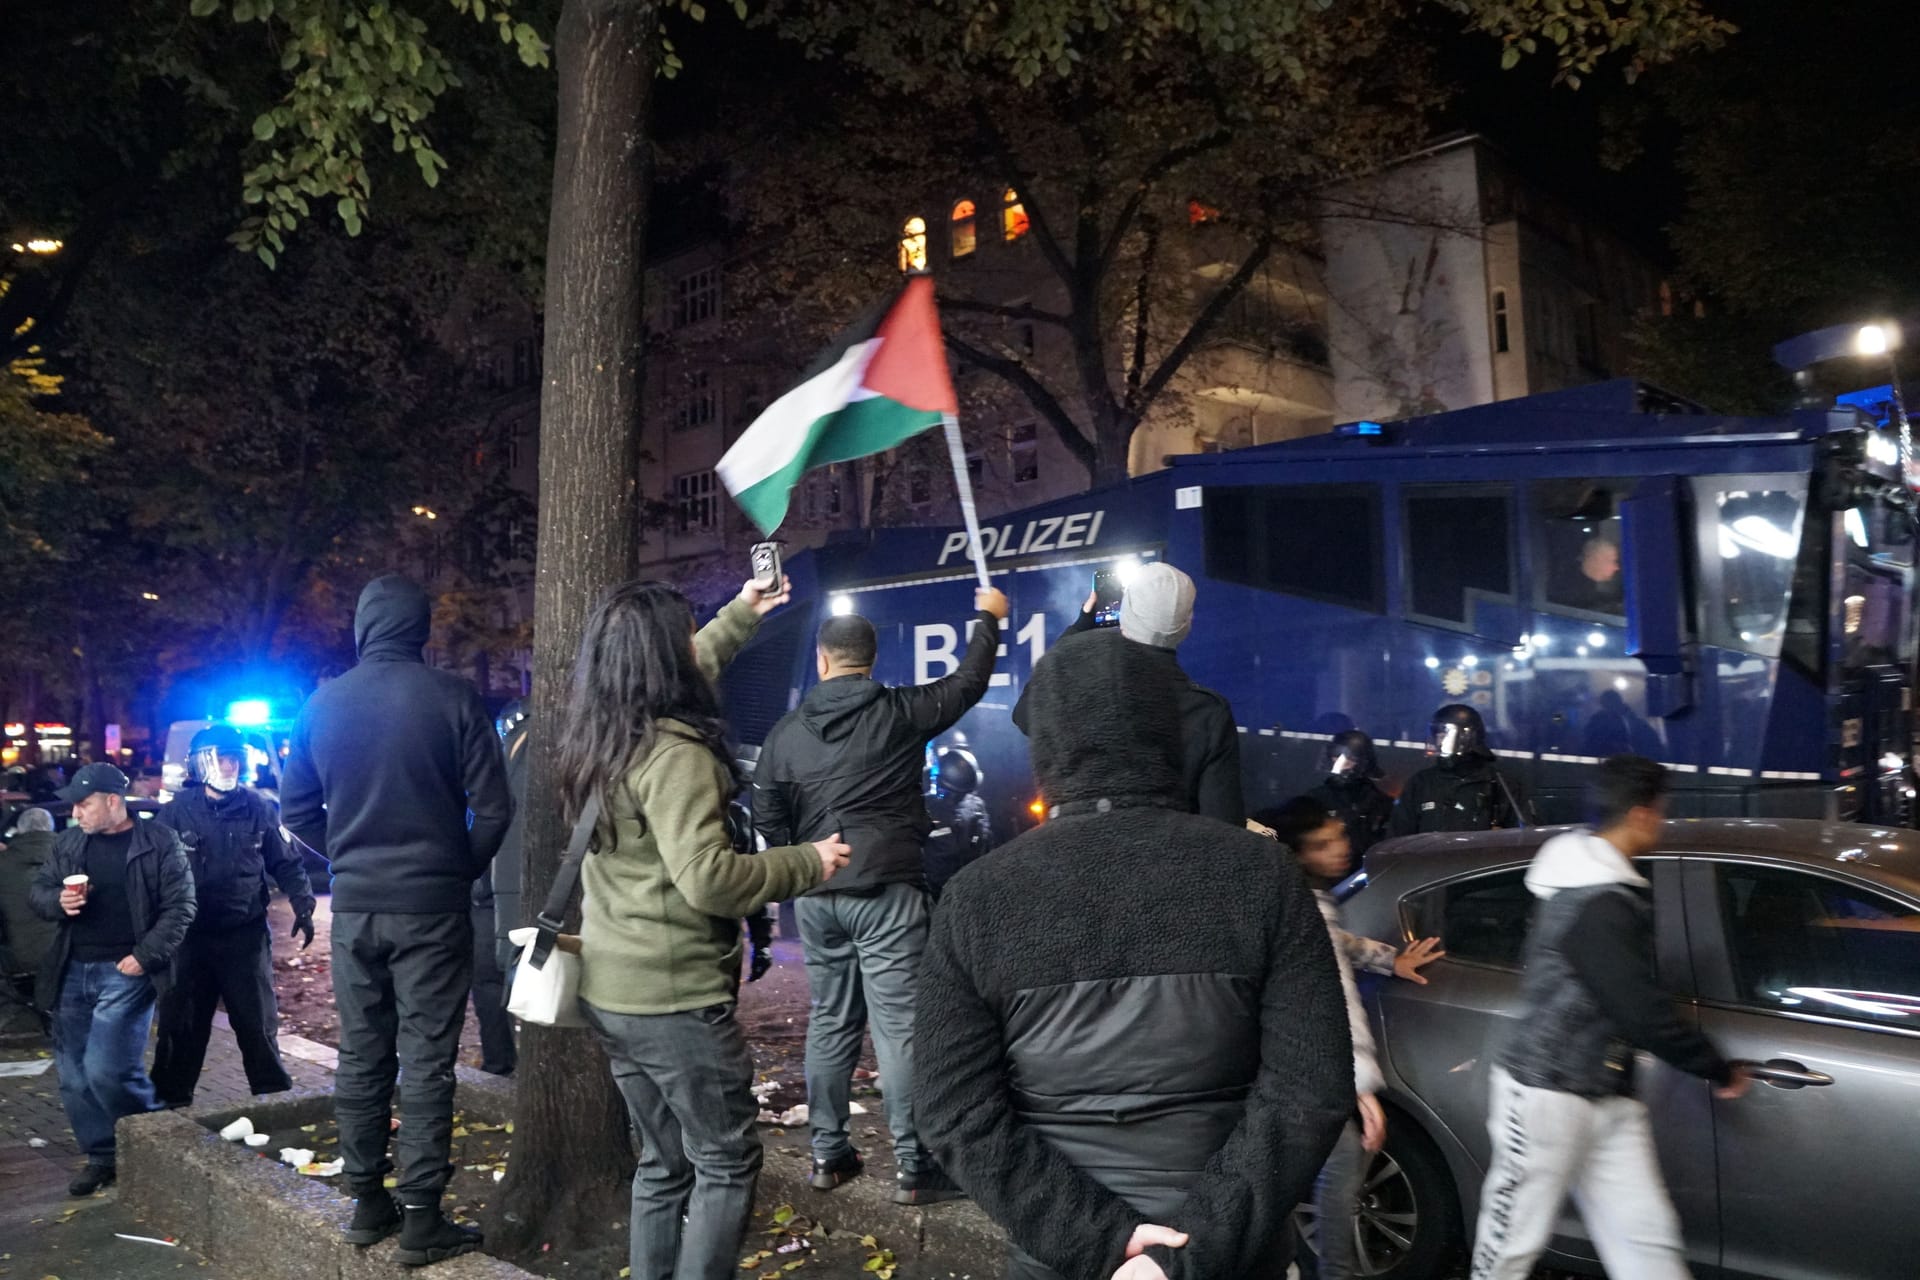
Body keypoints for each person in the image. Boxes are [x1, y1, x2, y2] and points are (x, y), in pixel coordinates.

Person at [915, 630, 1353, 1280]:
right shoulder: (1264, 875)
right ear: (1170, 733)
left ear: (1046, 744)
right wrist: (1195, 1248)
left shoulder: (977, 897)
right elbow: (1309, 1089)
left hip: (1060, 1257)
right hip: (1236, 1253)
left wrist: (1100, 1242)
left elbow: (953, 1109)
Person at [563, 577, 848, 1280]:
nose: (697, 645)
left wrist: (743, 611)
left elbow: (694, 666)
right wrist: (806, 861)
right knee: (724, 1160)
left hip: (611, 991)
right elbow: (711, 879)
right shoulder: (676, 754)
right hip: (674, 1002)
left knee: (662, 1163)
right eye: (685, 636)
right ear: (665, 660)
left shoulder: (605, 736)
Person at [280, 574, 513, 1266]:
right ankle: (421, 1216)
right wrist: (451, 869)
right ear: (420, 628)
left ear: (362, 627)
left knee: (361, 1053)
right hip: (434, 911)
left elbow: (296, 815)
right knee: (428, 1060)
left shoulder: (319, 705)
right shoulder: (452, 697)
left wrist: (349, 859)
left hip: (355, 910)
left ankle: (364, 1202)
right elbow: (495, 809)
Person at [753, 585, 1009, 1205]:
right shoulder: (899, 712)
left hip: (816, 893)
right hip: (889, 890)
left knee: (830, 1023)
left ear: (822, 661)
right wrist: (989, 620)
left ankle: (828, 1154)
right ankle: (915, 1166)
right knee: (898, 1030)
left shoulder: (785, 734)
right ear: (871, 662)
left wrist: (802, 865)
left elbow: (767, 813)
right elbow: (968, 682)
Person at [1469, 756, 1751, 1280]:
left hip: (1607, 1094)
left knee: (1646, 1241)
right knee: (1508, 1247)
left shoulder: (1603, 887)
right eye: (1662, 813)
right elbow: (1639, 1008)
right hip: (1544, 1093)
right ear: (1643, 814)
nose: (1662, 825)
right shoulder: (1596, 899)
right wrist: (1717, 1066)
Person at [1261, 797, 1445, 1280]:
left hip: (1298, 1073)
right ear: (1298, 855)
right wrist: (1358, 1084)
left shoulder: (1298, 903)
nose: (1339, 849)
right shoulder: (1306, 911)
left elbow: (1338, 945)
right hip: (1317, 1074)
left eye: (1337, 834)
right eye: (1322, 845)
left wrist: (1388, 959)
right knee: (1339, 1179)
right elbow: (1334, 1000)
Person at [28, 764, 196, 1195]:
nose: (76, 813)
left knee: (106, 1069)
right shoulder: (69, 842)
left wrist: (144, 956)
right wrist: (58, 901)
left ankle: (158, 1139)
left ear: (112, 801)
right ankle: (103, 1155)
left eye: (84, 804)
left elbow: (181, 907)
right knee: (73, 1076)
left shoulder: (158, 841)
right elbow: (39, 890)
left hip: (127, 969)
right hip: (72, 968)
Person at [150, 725, 316, 1109]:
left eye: (234, 758)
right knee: (182, 1027)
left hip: (244, 936)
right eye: (220, 757)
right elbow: (148, 876)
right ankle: (167, 1111)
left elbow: (286, 863)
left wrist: (303, 902)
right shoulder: (174, 814)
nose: (229, 765)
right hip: (189, 938)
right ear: (199, 763)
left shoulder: (259, 807)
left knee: (257, 1024)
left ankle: (275, 1102)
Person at [1013, 562, 1242, 823]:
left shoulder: (1086, 697)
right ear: (1187, 624)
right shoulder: (1209, 713)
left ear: (1126, 614)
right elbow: (1224, 821)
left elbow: (1025, 712)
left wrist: (1079, 627)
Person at [468, 701, 525, 1078]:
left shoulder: (492, 763)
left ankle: (500, 1062)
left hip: (488, 894)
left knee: (492, 984)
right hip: (505, 891)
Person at [1390, 705, 1531, 836]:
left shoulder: (1499, 783)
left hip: (1481, 861)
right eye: (1437, 735)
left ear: (1467, 737)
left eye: (1444, 735)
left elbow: (1524, 838)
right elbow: (1398, 839)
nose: (1439, 742)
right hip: (1430, 861)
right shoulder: (1421, 783)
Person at [1307, 731, 1395, 860]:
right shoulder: (1315, 799)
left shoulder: (1381, 803)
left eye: (1350, 758)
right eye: (1337, 755)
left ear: (1363, 762)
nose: (1341, 762)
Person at [923, 746, 992, 899]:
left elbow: (986, 844)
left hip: (970, 886)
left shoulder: (976, 807)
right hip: (943, 890)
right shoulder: (926, 808)